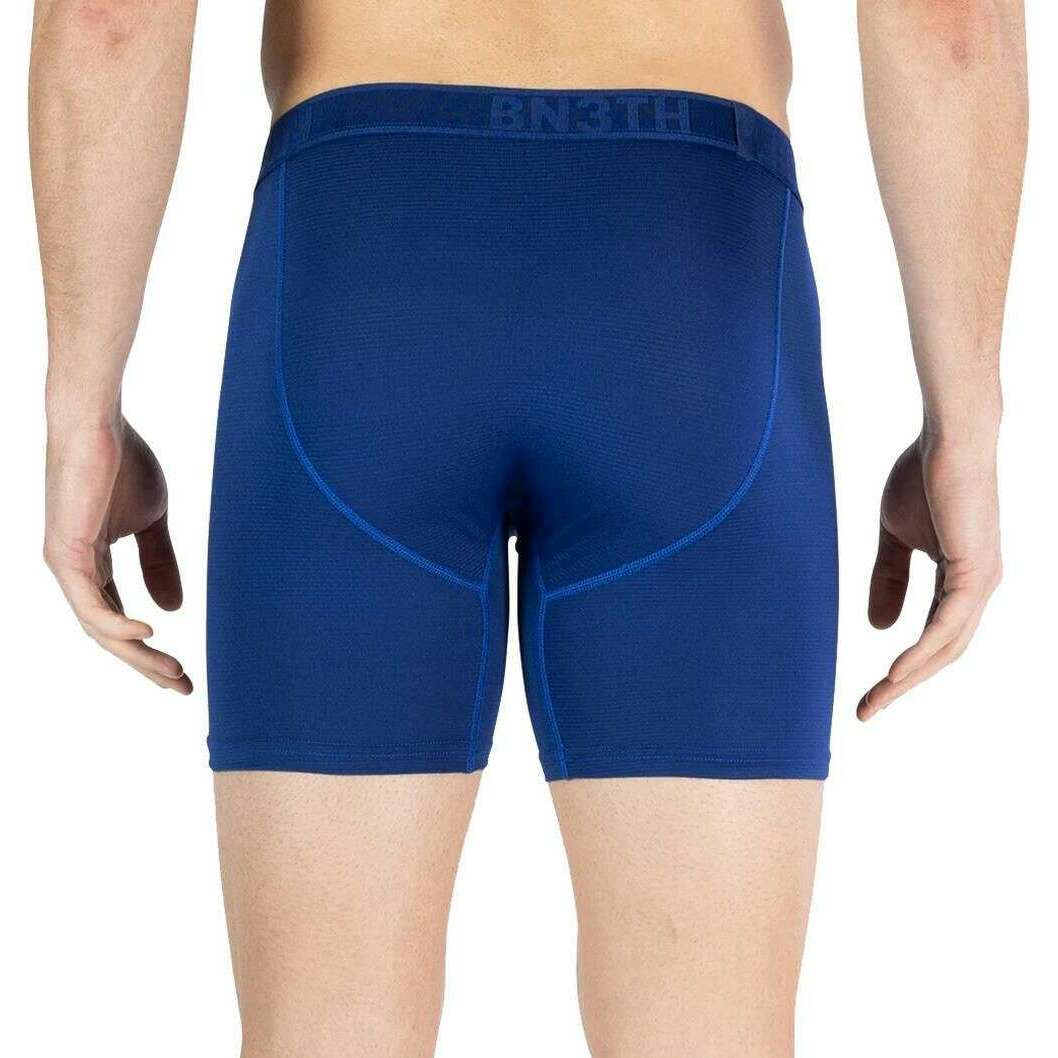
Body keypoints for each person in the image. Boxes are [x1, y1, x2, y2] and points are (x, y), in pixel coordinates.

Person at [29, 1, 1026, 1055]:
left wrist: (83, 411)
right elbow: (948, 20)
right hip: (687, 292)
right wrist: (962, 427)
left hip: (366, 280)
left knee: (324, 1031)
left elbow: (110, 15)